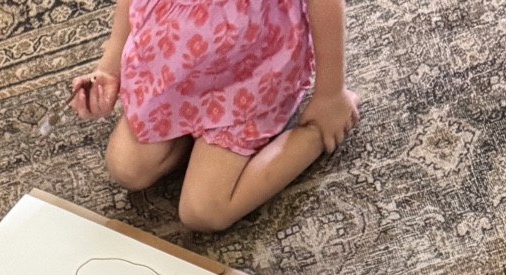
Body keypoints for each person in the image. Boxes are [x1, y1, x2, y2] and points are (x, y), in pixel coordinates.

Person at [70, 0, 358, 232]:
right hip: (175, 67)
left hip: (249, 76)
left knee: (204, 211)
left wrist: (330, 95)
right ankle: (194, 132)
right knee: (126, 168)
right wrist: (109, 67)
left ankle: (313, 135)